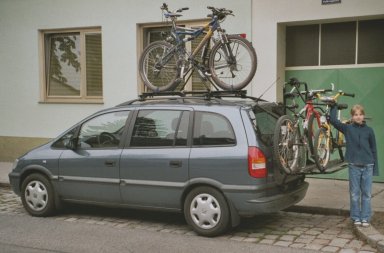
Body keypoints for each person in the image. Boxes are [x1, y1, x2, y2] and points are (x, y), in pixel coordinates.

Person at [330, 104, 379, 227]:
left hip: (368, 165)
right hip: (354, 166)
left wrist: (375, 168)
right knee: (354, 193)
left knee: (366, 193)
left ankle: (365, 218)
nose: (358, 117)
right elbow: (334, 121)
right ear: (352, 117)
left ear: (364, 116)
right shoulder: (348, 129)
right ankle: (356, 217)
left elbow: (374, 149)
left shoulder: (369, 131)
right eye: (355, 115)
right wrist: (334, 107)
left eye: (360, 114)